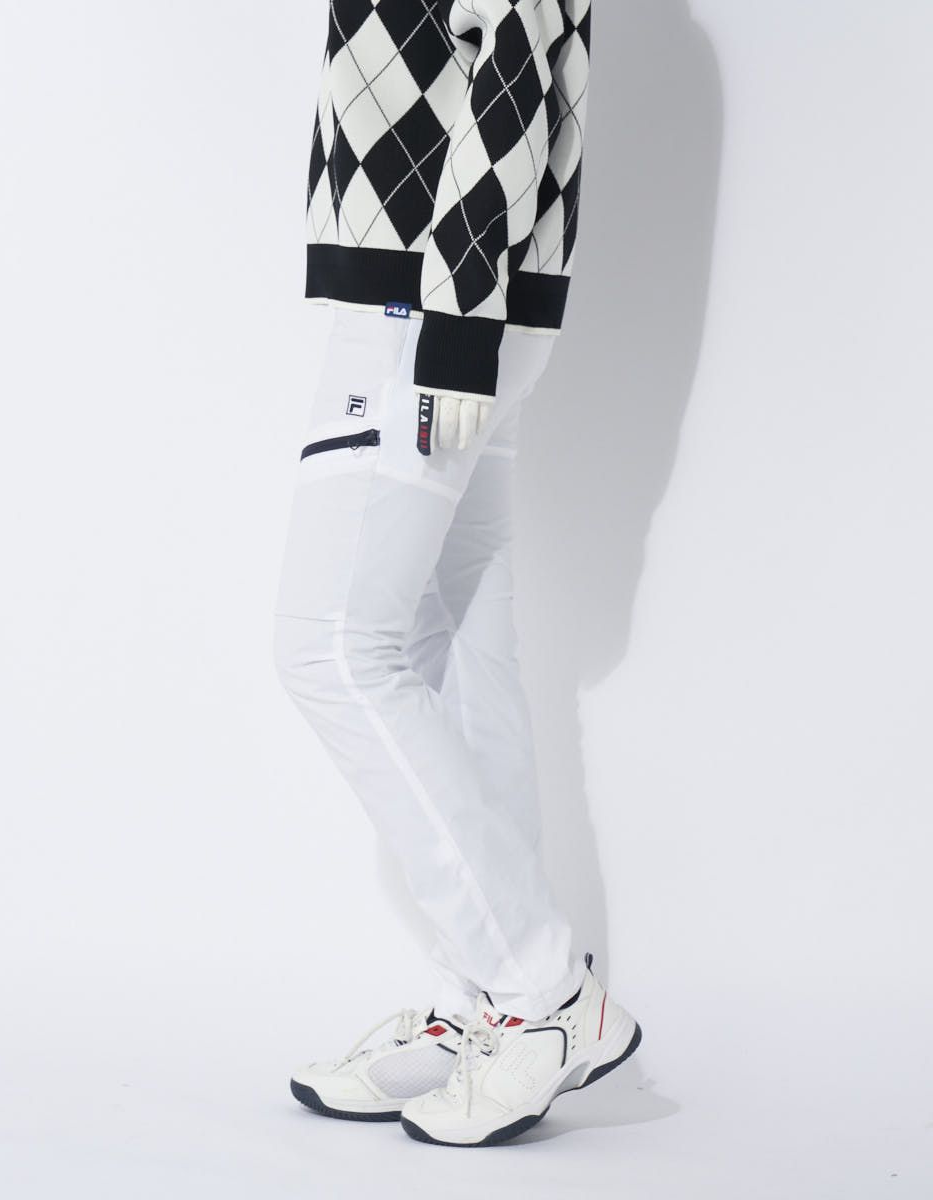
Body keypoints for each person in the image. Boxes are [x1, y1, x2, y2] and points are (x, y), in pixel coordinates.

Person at [272, 0, 640, 1147]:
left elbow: (513, 76)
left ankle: (540, 992)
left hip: (429, 303)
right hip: (449, 298)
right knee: (454, 644)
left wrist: (457, 330)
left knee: (333, 649)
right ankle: (490, 1006)